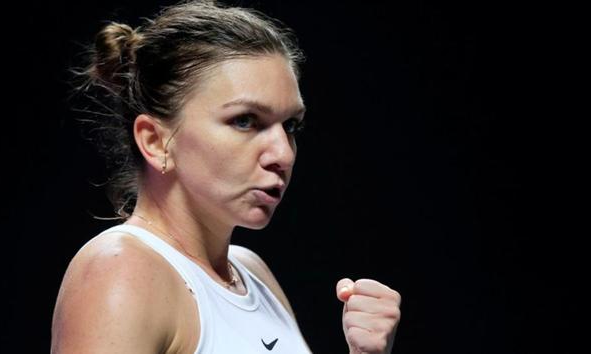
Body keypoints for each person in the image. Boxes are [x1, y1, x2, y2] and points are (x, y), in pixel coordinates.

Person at [51, 1, 401, 353]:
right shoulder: (119, 269)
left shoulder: (253, 274)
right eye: (245, 121)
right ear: (155, 142)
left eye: (291, 125)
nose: (283, 154)